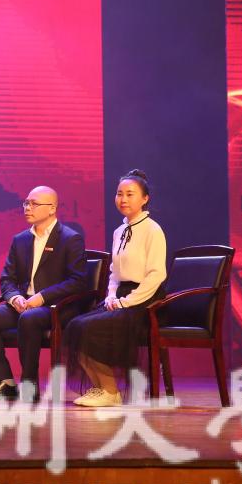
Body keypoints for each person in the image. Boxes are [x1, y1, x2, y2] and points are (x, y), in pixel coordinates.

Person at [0, 185, 87, 403]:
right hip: (24, 304)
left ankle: (29, 385)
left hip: (56, 307)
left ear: (52, 208)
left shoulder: (70, 239)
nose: (27, 208)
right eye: (26, 203)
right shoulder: (21, 240)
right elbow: (7, 279)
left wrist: (41, 297)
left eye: (34, 204)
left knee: (29, 318)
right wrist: (15, 297)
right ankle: (6, 381)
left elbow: (77, 282)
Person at [66, 169, 166, 407]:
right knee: (74, 326)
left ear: (145, 198)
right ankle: (101, 387)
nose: (123, 199)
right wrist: (111, 296)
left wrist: (126, 301)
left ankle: (110, 390)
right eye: (119, 194)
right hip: (120, 298)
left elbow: (156, 275)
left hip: (145, 301)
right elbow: (114, 273)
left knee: (90, 328)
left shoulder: (152, 230)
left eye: (130, 194)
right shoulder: (119, 232)